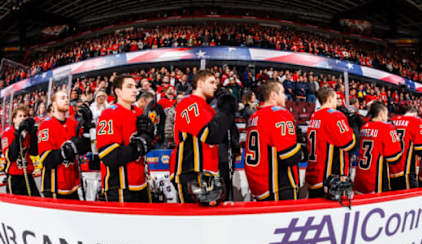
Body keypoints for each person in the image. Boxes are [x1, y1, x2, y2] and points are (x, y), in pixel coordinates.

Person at [169, 70, 236, 203]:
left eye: (216, 83)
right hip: (191, 170)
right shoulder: (189, 102)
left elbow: (222, 137)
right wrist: (225, 111)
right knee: (193, 218)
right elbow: (210, 135)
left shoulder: (208, 108)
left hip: (208, 171)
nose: (215, 86)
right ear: (199, 83)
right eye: (211, 82)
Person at [97, 74, 155, 202]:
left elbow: (149, 143)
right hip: (119, 187)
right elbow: (109, 155)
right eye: (129, 87)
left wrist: (149, 137)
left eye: (135, 86)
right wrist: (139, 146)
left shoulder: (139, 112)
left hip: (142, 182)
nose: (135, 90)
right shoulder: (109, 114)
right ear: (118, 91)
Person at [245, 80, 303, 201]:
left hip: (259, 185)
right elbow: (289, 155)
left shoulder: (254, 116)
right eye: (282, 92)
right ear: (273, 95)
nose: (285, 96)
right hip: (279, 185)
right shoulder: (279, 113)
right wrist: (303, 149)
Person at [38, 90, 92, 199]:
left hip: (73, 184)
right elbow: (45, 159)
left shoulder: (73, 124)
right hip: (54, 186)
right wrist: (67, 150)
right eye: (62, 98)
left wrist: (87, 126)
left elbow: (86, 148)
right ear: (53, 104)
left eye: (67, 97)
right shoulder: (45, 125)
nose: (67, 100)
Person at [306, 87, 356, 198]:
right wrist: (352, 127)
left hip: (314, 175)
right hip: (330, 180)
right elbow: (350, 144)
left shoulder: (315, 116)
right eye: (335, 98)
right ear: (329, 99)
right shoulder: (334, 115)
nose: (337, 102)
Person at [354, 101, 402, 194]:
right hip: (376, 178)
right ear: (381, 113)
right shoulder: (386, 127)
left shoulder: (364, 126)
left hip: (361, 175)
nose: (387, 117)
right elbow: (394, 157)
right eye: (386, 114)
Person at [1, 106, 40, 196]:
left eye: (25, 116)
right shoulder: (7, 133)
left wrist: (33, 135)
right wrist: (19, 134)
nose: (23, 118)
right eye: (20, 116)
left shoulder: (27, 132)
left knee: (35, 203)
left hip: (28, 174)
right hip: (14, 177)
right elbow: (11, 156)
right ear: (14, 119)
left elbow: (34, 152)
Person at [390, 105, 422, 190]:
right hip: (406, 171)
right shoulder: (417, 121)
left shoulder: (392, 121)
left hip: (390, 170)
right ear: (413, 112)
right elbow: (421, 149)